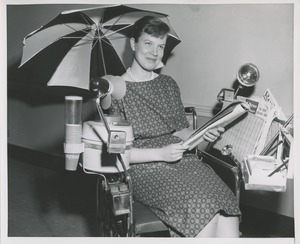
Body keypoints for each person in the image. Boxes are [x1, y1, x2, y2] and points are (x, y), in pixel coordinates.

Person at [109, 16, 241, 237]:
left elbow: (181, 131)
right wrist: (160, 153)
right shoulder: (116, 91)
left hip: (184, 161)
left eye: (160, 46)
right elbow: (119, 155)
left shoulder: (167, 84)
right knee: (202, 211)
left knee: (226, 205)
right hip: (146, 168)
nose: (154, 52)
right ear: (133, 44)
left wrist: (203, 134)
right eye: (148, 43)